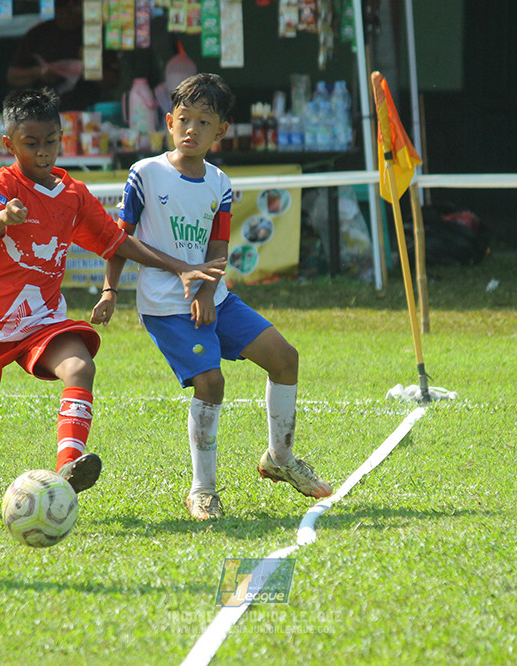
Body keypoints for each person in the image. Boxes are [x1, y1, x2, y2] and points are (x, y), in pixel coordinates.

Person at [0, 87, 224, 509]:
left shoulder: (72, 194)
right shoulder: (3, 184)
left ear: (62, 138)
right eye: (31, 143)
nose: (43, 152)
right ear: (9, 144)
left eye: (51, 141)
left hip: (42, 319)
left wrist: (179, 267)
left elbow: (117, 241)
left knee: (80, 367)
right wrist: (3, 216)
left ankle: (67, 472)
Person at [91, 74, 333, 521]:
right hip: (166, 307)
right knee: (211, 383)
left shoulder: (219, 182)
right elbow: (119, 239)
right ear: (169, 121)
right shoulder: (145, 174)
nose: (192, 130)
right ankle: (202, 491)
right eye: (184, 119)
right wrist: (110, 289)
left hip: (214, 298)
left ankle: (279, 458)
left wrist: (206, 290)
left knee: (285, 358)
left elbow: (218, 247)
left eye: (204, 122)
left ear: (220, 131)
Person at [6, 0, 119, 111]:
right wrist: (40, 72)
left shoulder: (95, 33)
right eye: (65, 9)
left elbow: (113, 81)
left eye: (74, 9)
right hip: (46, 112)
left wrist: (87, 67)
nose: (69, 15)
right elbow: (13, 76)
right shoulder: (38, 34)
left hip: (88, 110)